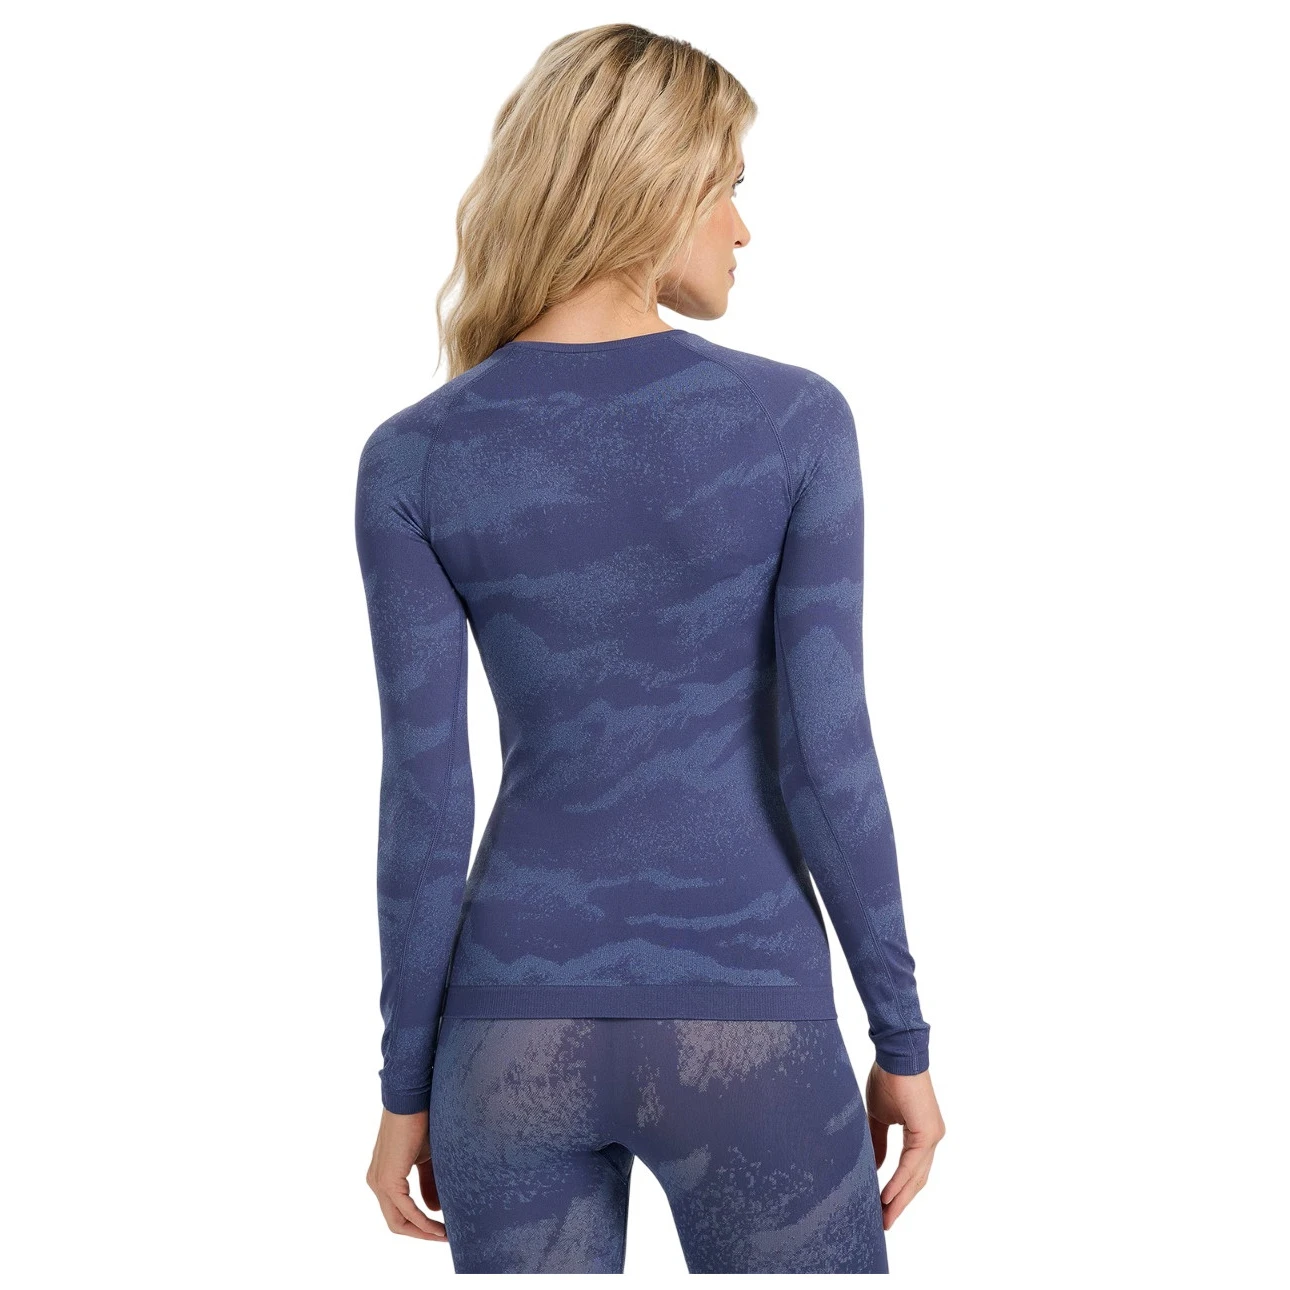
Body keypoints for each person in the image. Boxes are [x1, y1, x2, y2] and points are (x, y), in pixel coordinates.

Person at [354, 22, 945, 1275]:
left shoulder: (415, 455)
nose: (743, 228)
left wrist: (406, 1084)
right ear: (655, 184)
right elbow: (827, 758)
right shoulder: (794, 422)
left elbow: (426, 802)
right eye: (728, 185)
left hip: (509, 1038)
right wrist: (902, 1039)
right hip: (751, 1028)